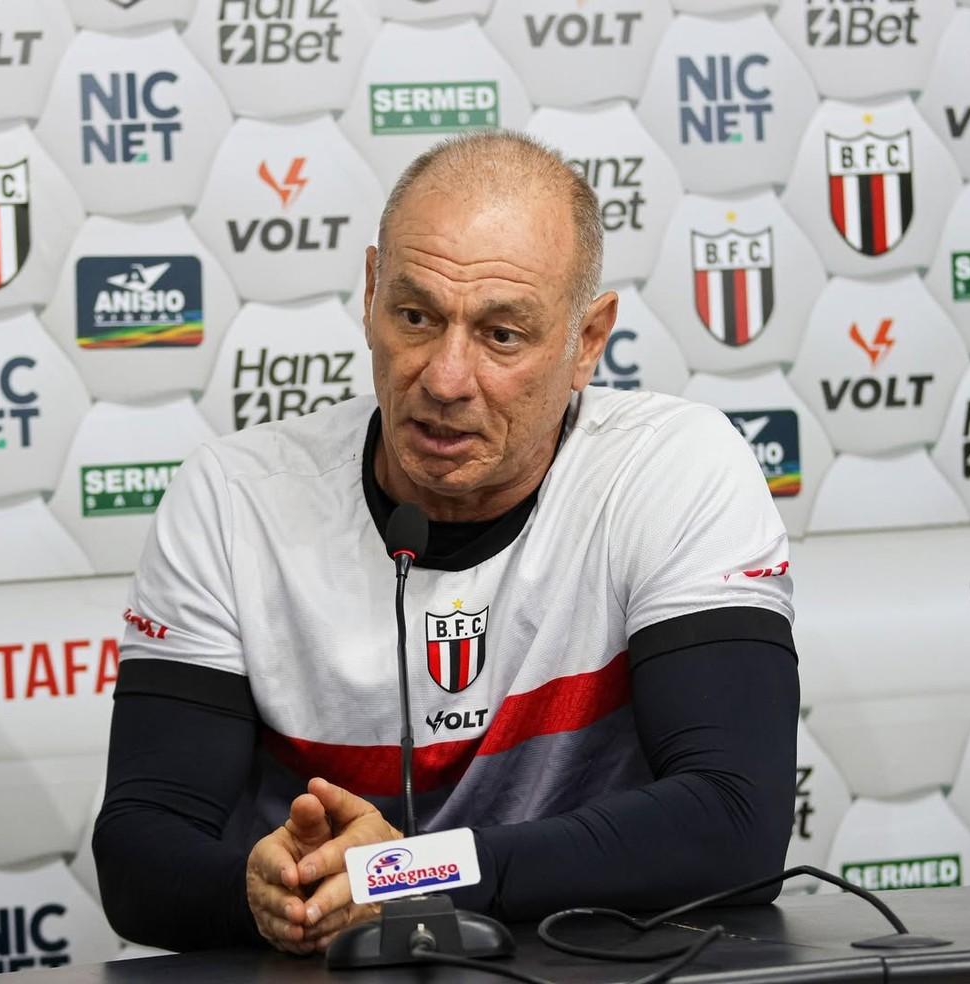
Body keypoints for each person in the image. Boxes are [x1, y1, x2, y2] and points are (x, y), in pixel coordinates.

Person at [93, 131, 799, 955]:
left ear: (587, 343)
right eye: (416, 316)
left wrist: (406, 875)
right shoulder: (233, 497)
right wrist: (265, 892)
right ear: (369, 294)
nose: (444, 378)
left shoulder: (673, 468)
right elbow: (140, 857)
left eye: (503, 335)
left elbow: (735, 823)